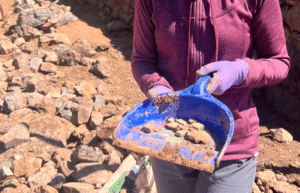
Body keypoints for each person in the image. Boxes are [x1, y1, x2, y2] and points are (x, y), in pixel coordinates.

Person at [131, 0, 290, 192]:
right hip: (170, 135)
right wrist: (156, 86)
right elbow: (143, 60)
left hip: (231, 143)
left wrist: (240, 70)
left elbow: (278, 61)